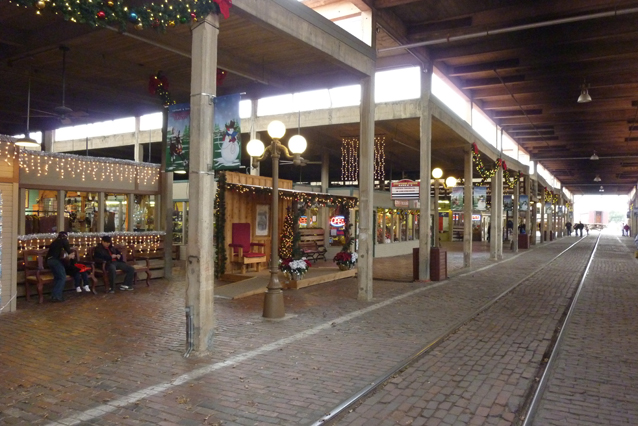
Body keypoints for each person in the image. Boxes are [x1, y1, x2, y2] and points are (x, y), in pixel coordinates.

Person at [45, 231, 75, 302]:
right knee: (62, 277)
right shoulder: (64, 240)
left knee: (57, 277)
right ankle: (57, 296)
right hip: (55, 261)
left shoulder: (55, 241)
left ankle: (53, 295)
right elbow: (68, 250)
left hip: (49, 261)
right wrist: (70, 254)